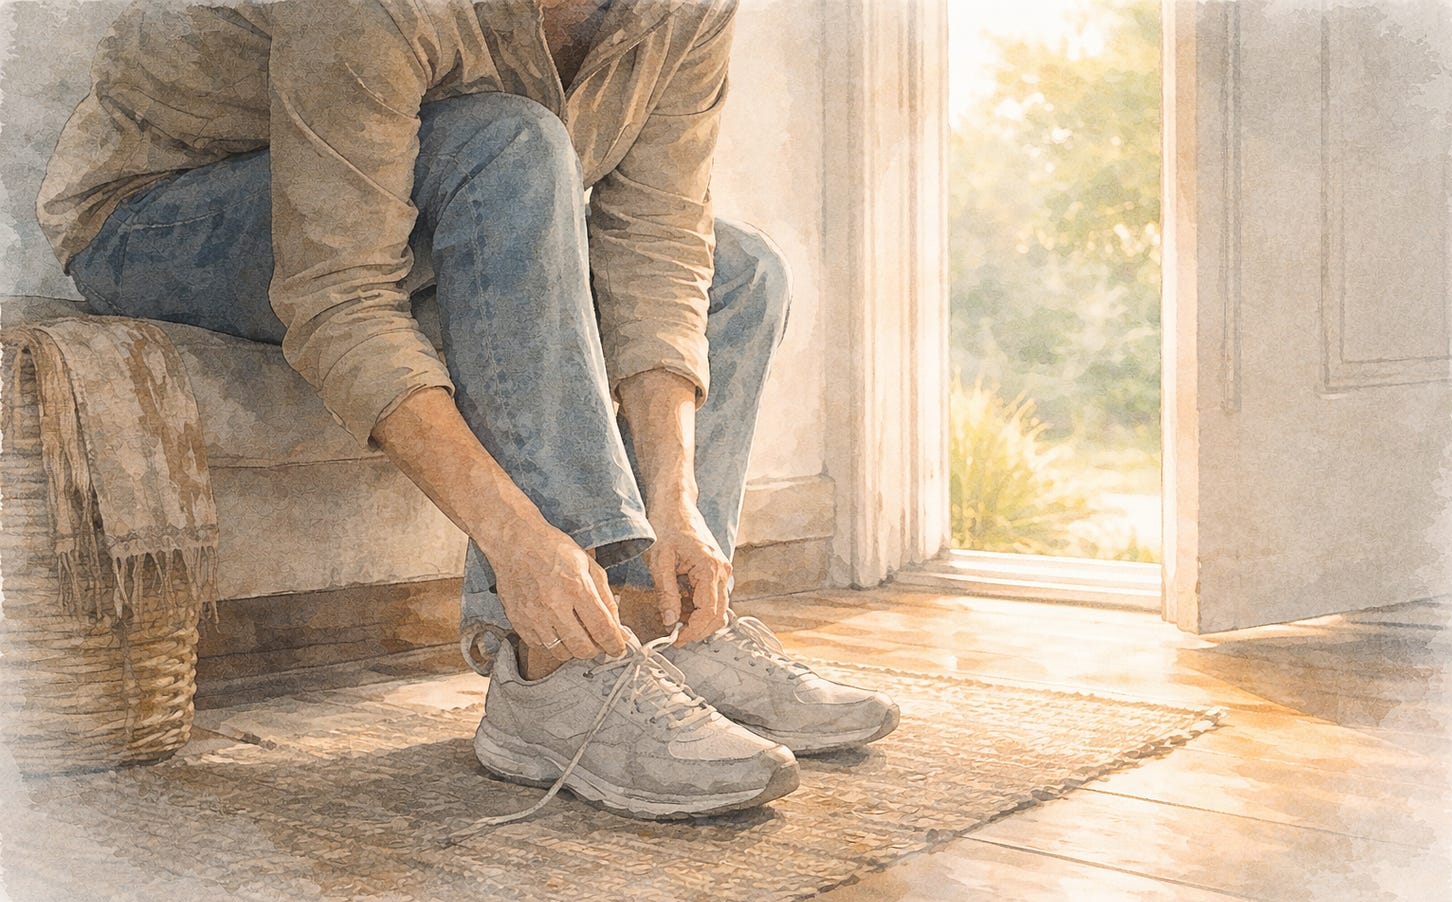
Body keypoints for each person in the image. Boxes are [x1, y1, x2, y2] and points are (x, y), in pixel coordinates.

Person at [37, 0, 898, 821]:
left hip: (421, 195)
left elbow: (661, 244)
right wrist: (519, 539)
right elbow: (339, 295)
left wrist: (675, 505)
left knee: (742, 277)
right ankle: (556, 670)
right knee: (515, 142)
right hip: (158, 214)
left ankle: (663, 629)